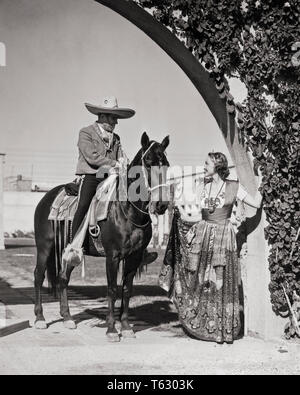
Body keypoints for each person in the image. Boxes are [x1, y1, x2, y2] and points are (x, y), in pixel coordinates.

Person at [159, 152, 262, 344]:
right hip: (204, 236)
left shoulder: (233, 187)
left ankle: (223, 329)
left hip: (225, 238)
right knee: (202, 280)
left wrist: (263, 184)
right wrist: (179, 214)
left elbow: (255, 204)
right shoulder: (203, 188)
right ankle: (206, 324)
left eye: (207, 163)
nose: (204, 166)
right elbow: (196, 217)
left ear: (218, 166)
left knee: (221, 280)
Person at [71, 96, 157, 265]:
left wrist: (126, 164)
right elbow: (92, 157)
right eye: (113, 117)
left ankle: (141, 248)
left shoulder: (116, 138)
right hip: (92, 175)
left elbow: (121, 156)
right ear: (102, 116)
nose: (115, 122)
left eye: (116, 118)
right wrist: (114, 163)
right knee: (84, 204)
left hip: (114, 175)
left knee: (137, 198)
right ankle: (74, 245)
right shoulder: (85, 133)